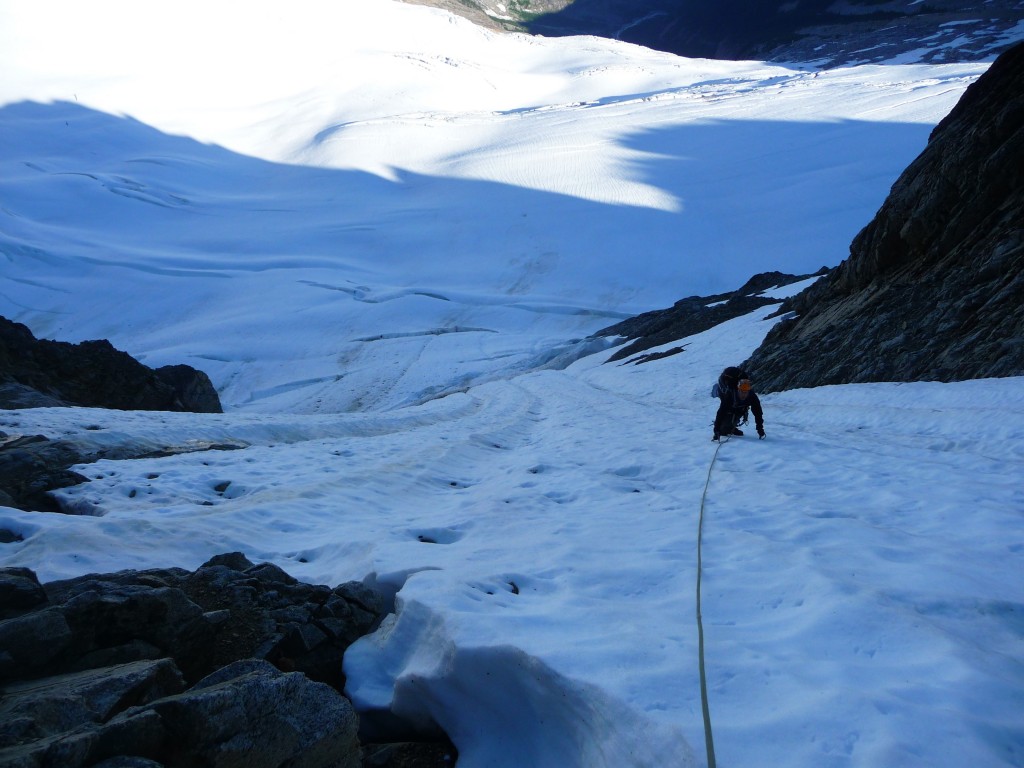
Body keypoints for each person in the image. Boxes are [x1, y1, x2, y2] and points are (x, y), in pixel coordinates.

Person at [712, 367, 765, 441]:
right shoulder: (730, 395)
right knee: (723, 431)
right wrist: (716, 430)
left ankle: (731, 427)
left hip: (739, 406)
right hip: (728, 400)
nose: (744, 394)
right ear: (738, 389)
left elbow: (758, 412)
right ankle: (728, 427)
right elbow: (721, 412)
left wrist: (760, 429)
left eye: (746, 392)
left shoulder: (752, 396)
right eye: (742, 392)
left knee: (740, 410)